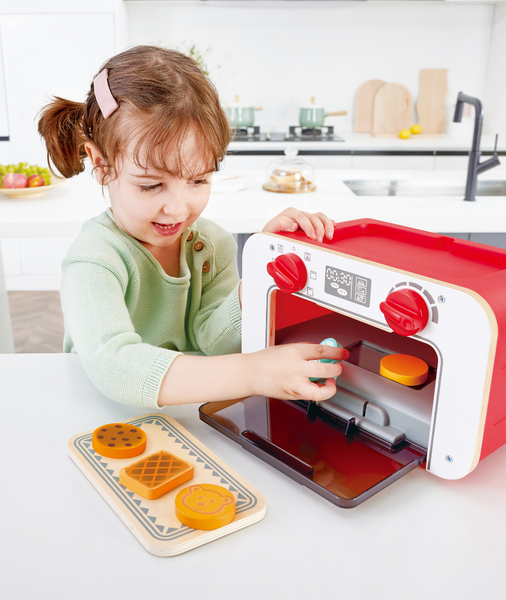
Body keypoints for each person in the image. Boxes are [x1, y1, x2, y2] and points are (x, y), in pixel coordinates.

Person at [37, 45, 347, 409]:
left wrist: (260, 278)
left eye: (198, 181)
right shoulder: (94, 258)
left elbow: (214, 341)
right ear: (101, 165)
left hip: (184, 416)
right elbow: (113, 364)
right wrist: (252, 372)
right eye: (151, 185)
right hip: (100, 416)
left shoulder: (211, 244)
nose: (178, 208)